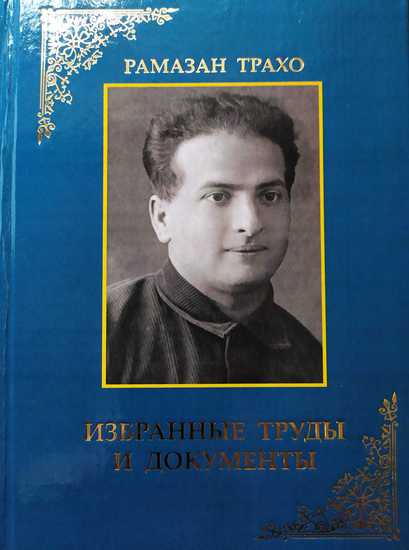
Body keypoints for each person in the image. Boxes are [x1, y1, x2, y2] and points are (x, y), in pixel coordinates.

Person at [107, 92, 322, 384]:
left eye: (269, 196)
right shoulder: (102, 333)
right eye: (218, 196)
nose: (250, 224)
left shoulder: (312, 361)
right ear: (162, 218)